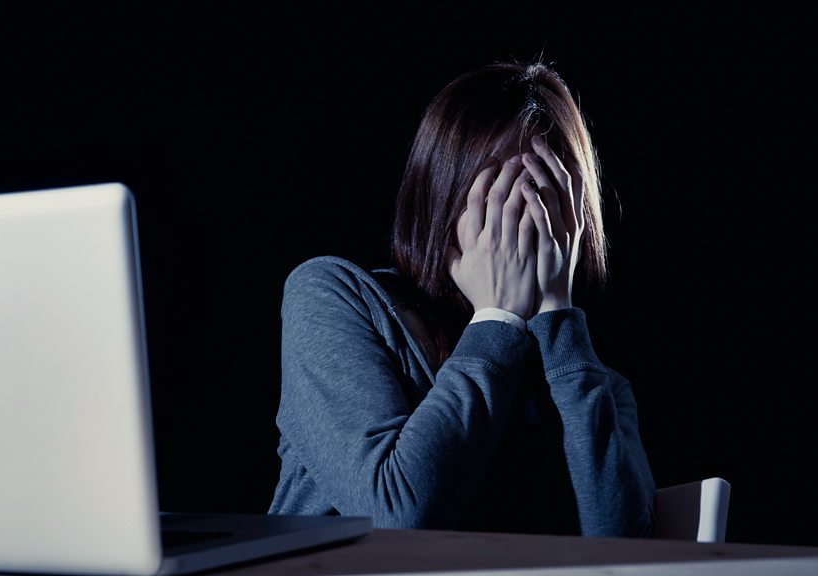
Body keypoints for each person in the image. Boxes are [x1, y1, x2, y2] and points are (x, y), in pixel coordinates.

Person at [267, 60, 655, 538]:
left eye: (544, 195)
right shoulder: (334, 297)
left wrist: (558, 313)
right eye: (497, 193)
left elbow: (624, 552)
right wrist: (496, 318)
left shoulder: (591, 380)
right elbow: (396, 516)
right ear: (443, 189)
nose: (519, 220)